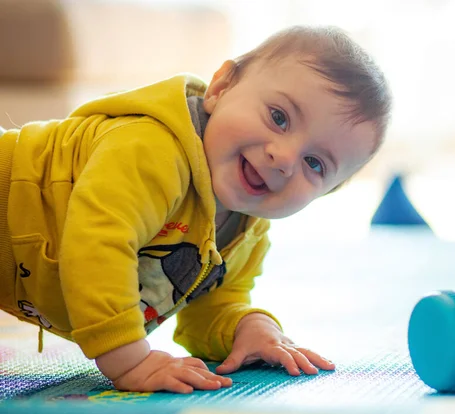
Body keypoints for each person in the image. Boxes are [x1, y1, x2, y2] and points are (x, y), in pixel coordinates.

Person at [0, 25, 392, 393]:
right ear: (221, 87)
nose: (284, 158)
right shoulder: (154, 148)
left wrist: (246, 329)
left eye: (315, 164)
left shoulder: (244, 235)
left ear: (326, 193)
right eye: (279, 117)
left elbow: (208, 306)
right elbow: (95, 244)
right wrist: (131, 361)